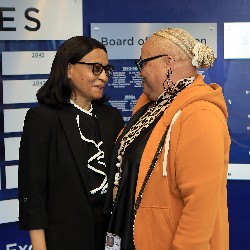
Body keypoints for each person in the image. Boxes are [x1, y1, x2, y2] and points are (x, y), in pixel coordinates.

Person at [104, 28, 230, 250]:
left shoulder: (200, 114)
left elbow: (200, 206)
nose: (140, 71)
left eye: (143, 63)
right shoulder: (152, 108)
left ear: (168, 63)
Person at [18, 36, 124, 250]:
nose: (103, 77)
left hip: (109, 239)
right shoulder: (42, 119)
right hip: (63, 240)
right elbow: (34, 193)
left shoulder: (112, 117)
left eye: (106, 69)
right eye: (95, 68)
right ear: (68, 69)